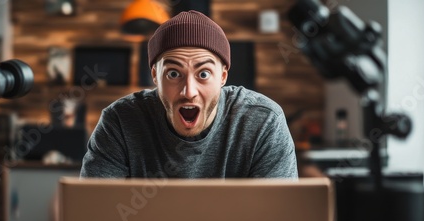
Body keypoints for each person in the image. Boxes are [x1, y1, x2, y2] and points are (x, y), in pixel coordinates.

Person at [80, 10, 298, 178]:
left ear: (223, 77)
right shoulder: (119, 121)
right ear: (155, 76)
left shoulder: (264, 121)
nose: (188, 92)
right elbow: (94, 218)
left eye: (203, 73)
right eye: (174, 73)